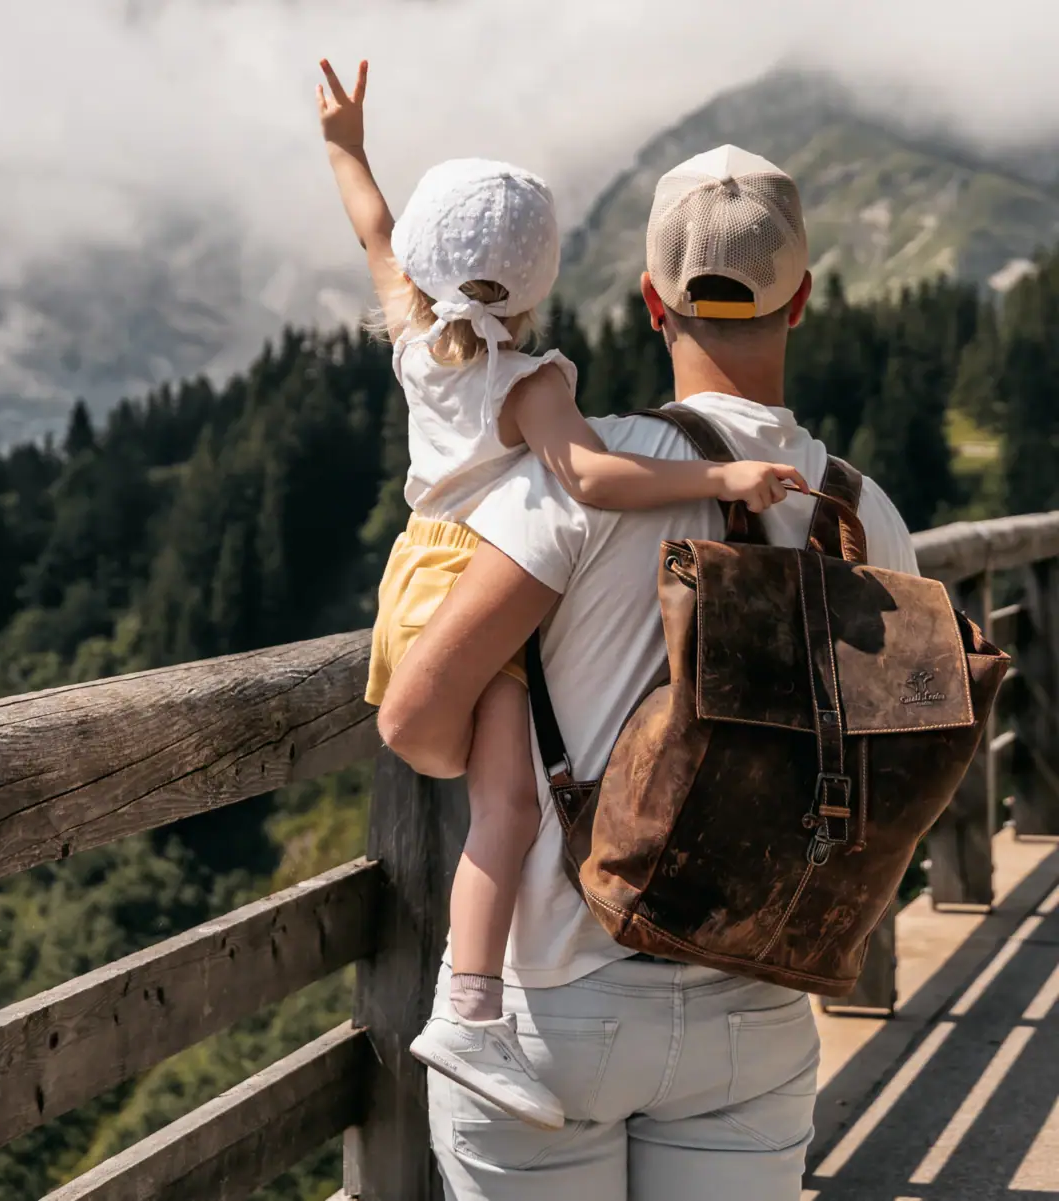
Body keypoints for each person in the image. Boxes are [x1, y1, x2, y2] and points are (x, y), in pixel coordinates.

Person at [378, 143, 920, 1200]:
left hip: (550, 996)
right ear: (802, 298)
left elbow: (415, 720)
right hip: (756, 998)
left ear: (649, 300)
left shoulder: (577, 480)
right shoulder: (867, 517)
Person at [317, 60, 807, 1131]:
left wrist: (347, 145)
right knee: (505, 807)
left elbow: (375, 234)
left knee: (485, 785)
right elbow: (588, 479)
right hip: (481, 587)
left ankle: (482, 999)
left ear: (651, 302)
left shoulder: (416, 344)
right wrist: (719, 477)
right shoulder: (532, 382)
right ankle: (467, 1003)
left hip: (419, 584)